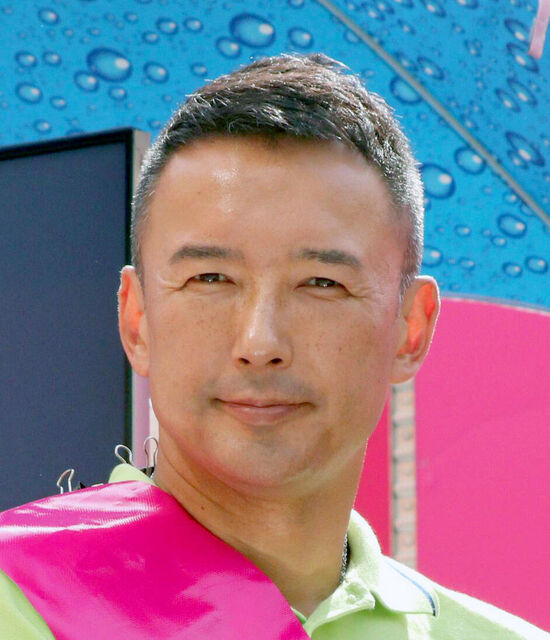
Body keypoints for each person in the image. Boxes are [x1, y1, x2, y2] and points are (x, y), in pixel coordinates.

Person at [0, 53, 547, 639]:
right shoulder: (19, 600)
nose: (260, 343)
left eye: (322, 283)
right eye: (210, 278)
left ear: (411, 328)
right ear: (137, 320)